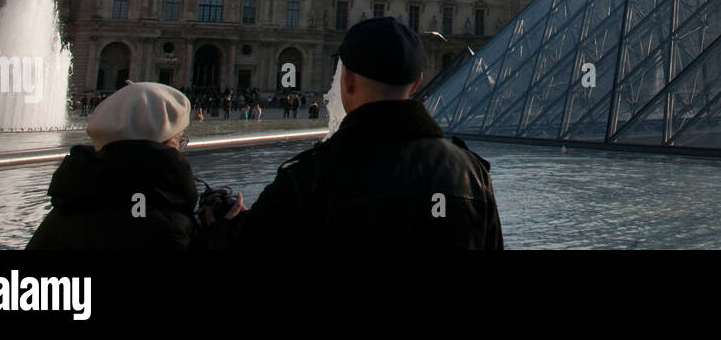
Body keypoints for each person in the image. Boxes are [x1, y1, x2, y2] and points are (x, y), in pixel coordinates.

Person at [206, 16, 503, 251]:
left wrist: (221, 230)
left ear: (345, 79)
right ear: (417, 84)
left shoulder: (306, 180)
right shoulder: (472, 174)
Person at [26, 82, 200, 249]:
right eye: (179, 140)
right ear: (162, 146)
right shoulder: (163, 225)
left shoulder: (68, 205)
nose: (179, 150)